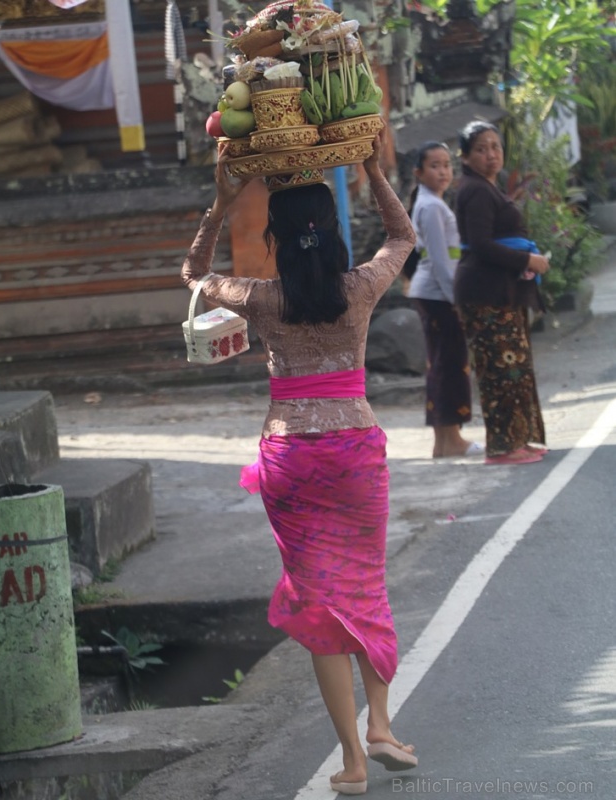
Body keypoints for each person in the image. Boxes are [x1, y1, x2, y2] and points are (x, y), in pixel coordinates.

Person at [181, 131, 419, 795]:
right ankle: (379, 722)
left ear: (279, 239)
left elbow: (193, 276)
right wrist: (372, 168)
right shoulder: (361, 286)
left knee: (318, 605)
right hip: (353, 453)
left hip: (289, 456)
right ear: (333, 231)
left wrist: (222, 203)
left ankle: (351, 761)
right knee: (365, 586)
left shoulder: (263, 298)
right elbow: (401, 238)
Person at [454, 120, 550, 465]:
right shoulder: (476, 189)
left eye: (495, 146)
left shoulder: (487, 186)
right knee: (501, 370)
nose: (491, 154)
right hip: (485, 291)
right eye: (481, 148)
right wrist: (527, 258)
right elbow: (480, 244)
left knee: (516, 366)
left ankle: (521, 438)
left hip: (500, 290)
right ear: (465, 157)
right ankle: (503, 447)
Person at [407, 140, 483, 459]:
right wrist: (458, 300)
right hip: (439, 294)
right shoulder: (431, 206)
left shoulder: (430, 203)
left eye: (446, 165)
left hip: (433, 293)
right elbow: (440, 261)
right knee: (449, 366)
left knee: (441, 365)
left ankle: (445, 441)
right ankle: (451, 440)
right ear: (419, 172)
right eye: (435, 166)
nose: (443, 171)